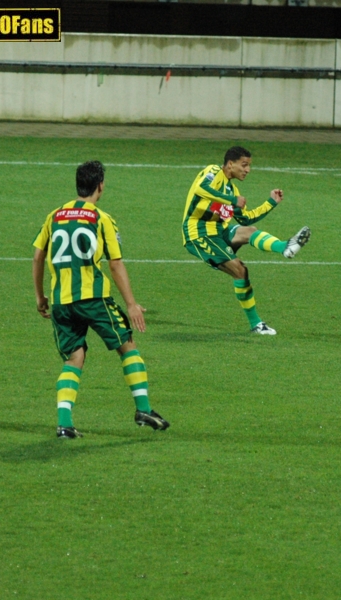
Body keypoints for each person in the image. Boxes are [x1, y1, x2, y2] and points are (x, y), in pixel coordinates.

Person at [32, 161, 169, 439]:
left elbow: (37, 256)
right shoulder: (101, 218)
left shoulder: (54, 215)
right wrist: (131, 304)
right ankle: (143, 409)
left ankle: (64, 424)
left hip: (61, 301)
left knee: (74, 357)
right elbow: (115, 264)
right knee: (127, 346)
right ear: (100, 185)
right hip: (93, 299)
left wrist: (40, 296)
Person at [182, 146, 310, 335]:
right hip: (199, 235)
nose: (247, 170)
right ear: (230, 164)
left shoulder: (231, 188)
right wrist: (231, 200)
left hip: (219, 231)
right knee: (240, 271)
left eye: (249, 166)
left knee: (249, 230)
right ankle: (257, 324)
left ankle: (285, 247)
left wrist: (271, 202)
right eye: (244, 165)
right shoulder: (213, 172)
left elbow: (246, 218)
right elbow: (201, 189)